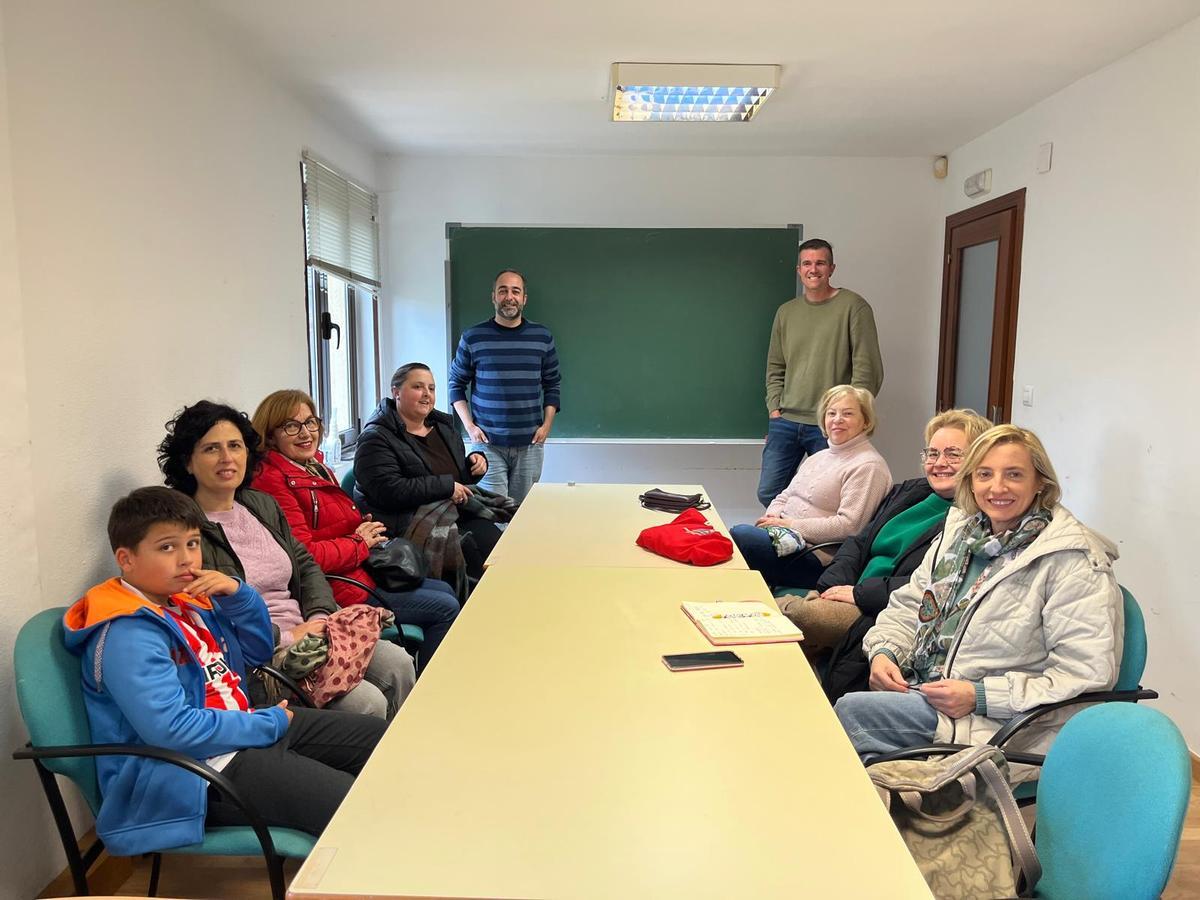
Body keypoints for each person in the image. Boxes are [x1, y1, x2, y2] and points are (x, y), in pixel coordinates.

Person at [63, 486, 386, 855]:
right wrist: (268, 724)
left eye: (193, 544)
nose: (187, 559)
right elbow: (174, 730)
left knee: (384, 742)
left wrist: (239, 595)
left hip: (240, 731)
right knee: (356, 808)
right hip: (189, 775)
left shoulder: (186, 603)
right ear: (126, 559)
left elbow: (257, 651)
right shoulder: (126, 633)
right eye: (167, 547)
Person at [834, 425, 1123, 767]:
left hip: (999, 724)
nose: (997, 487)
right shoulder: (960, 534)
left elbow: (1087, 672)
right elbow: (910, 604)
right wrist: (884, 651)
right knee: (865, 767)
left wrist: (981, 697)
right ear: (971, 480)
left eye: (1013, 475)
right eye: (985, 474)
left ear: (1040, 483)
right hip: (925, 692)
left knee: (848, 714)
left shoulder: (1072, 559)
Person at [159, 400, 416, 720]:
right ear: (187, 462)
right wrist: (289, 636)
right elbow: (209, 621)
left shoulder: (259, 504)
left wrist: (321, 615)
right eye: (211, 449)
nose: (227, 458)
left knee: (399, 664)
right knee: (366, 703)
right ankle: (364, 765)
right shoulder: (183, 528)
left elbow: (305, 565)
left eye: (235, 446)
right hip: (264, 656)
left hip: (313, 626)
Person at [250, 389, 461, 672]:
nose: (306, 433)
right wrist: (358, 540)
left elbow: (327, 525)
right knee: (445, 607)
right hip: (339, 589)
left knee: (446, 588)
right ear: (270, 434)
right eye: (292, 426)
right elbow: (303, 556)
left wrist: (359, 525)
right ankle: (430, 688)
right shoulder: (273, 482)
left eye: (311, 422)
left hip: (358, 569)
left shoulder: (312, 466)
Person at [778, 409, 992, 667]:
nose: (939, 462)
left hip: (881, 609)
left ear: (980, 459)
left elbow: (933, 586)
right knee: (779, 637)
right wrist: (831, 586)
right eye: (932, 453)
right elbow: (859, 541)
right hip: (845, 590)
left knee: (786, 615)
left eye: (953, 454)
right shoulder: (909, 492)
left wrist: (859, 593)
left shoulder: (975, 519)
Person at [758, 238, 883, 507]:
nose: (813, 269)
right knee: (769, 493)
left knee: (830, 499)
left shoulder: (853, 307)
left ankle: (818, 547)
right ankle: (785, 541)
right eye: (807, 263)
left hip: (830, 424)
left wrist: (851, 416)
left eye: (820, 263)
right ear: (798, 270)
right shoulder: (786, 312)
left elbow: (867, 368)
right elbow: (775, 366)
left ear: (832, 268)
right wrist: (774, 409)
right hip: (786, 420)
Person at [731, 385, 891, 590]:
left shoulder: (868, 466)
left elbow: (850, 526)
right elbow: (785, 495)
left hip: (816, 557)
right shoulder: (818, 457)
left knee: (742, 536)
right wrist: (772, 520)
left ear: (866, 421)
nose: (837, 419)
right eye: (831, 413)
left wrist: (789, 525)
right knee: (722, 542)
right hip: (785, 540)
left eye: (848, 413)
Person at [355, 363, 502, 581]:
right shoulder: (375, 438)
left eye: (431, 389)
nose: (426, 395)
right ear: (396, 392)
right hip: (409, 524)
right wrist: (446, 488)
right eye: (418, 387)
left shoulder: (443, 427)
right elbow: (389, 491)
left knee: (500, 547)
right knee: (477, 559)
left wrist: (474, 465)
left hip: (452, 512)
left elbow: (456, 478)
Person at [448, 268, 562, 504]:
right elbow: (455, 384)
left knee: (521, 513)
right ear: (494, 297)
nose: (509, 297)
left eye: (515, 291)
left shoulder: (542, 337)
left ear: (524, 298)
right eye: (503, 291)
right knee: (494, 512)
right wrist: (469, 427)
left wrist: (547, 425)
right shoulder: (473, 337)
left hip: (530, 444)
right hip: (487, 445)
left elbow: (552, 384)